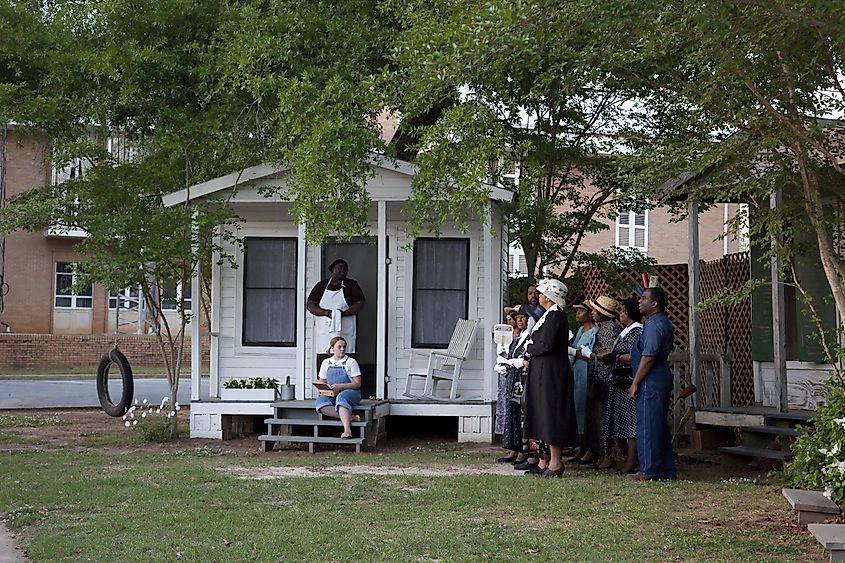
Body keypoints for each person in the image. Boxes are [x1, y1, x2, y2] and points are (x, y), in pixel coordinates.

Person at [522, 278, 579, 477]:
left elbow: (546, 345)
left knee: (551, 413)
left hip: (552, 373)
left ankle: (555, 462)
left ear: (548, 297)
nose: (538, 296)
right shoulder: (549, 315)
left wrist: (528, 348)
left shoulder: (556, 316)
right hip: (543, 370)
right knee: (541, 412)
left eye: (541, 293)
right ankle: (544, 460)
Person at [628, 287, 677, 481]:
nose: (639, 302)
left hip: (651, 379)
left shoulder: (655, 325)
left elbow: (648, 357)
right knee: (658, 426)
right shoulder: (657, 323)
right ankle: (665, 469)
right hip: (657, 377)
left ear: (654, 304)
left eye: (643, 298)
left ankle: (649, 470)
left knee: (648, 426)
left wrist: (635, 382)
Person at [596, 297, 643, 475]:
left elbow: (634, 355)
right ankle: (627, 458)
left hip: (627, 380)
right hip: (618, 381)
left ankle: (632, 460)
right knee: (623, 420)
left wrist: (613, 357)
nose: (620, 314)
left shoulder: (635, 331)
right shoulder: (625, 331)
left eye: (623, 311)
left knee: (631, 422)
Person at [574, 295, 620, 469]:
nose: (593, 313)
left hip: (604, 377)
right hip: (599, 375)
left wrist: (591, 354)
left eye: (595, 310)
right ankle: (600, 453)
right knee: (597, 417)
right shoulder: (605, 327)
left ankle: (608, 455)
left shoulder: (608, 329)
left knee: (604, 418)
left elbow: (607, 353)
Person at [307, 259, 365, 371]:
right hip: (325, 331)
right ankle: (325, 385)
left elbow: (359, 303)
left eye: (345, 269)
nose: (342, 270)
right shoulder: (321, 285)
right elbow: (310, 305)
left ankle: (346, 384)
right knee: (324, 359)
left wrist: (343, 314)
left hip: (345, 328)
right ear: (332, 270)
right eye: (339, 268)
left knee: (346, 359)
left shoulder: (351, 285)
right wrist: (325, 313)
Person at [495, 307, 531, 463]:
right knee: (512, 412)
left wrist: (511, 362)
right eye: (518, 318)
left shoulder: (529, 337)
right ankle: (513, 448)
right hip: (512, 376)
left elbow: (523, 358)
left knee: (521, 413)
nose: (520, 321)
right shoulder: (516, 338)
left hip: (522, 378)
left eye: (523, 318)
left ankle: (523, 450)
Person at [567, 303, 598, 460]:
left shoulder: (594, 331)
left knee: (586, 408)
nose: (577, 314)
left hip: (586, 370)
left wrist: (578, 353)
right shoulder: (580, 331)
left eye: (580, 311)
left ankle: (589, 448)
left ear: (589, 314)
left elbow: (588, 353)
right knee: (577, 407)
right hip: (576, 371)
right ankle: (580, 446)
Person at [314, 337, 362, 439]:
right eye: (339, 347)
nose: (342, 349)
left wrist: (340, 386)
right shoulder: (326, 362)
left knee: (341, 398)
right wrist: (323, 388)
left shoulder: (351, 362)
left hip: (350, 392)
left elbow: (357, 383)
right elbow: (322, 380)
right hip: (332, 393)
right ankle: (351, 417)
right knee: (320, 403)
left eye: (344, 347)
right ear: (332, 348)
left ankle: (347, 430)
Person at [495, 306, 521, 438]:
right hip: (504, 370)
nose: (510, 320)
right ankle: (504, 432)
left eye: (513, 317)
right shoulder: (505, 335)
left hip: (514, 371)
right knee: (503, 400)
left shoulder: (521, 336)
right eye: (509, 318)